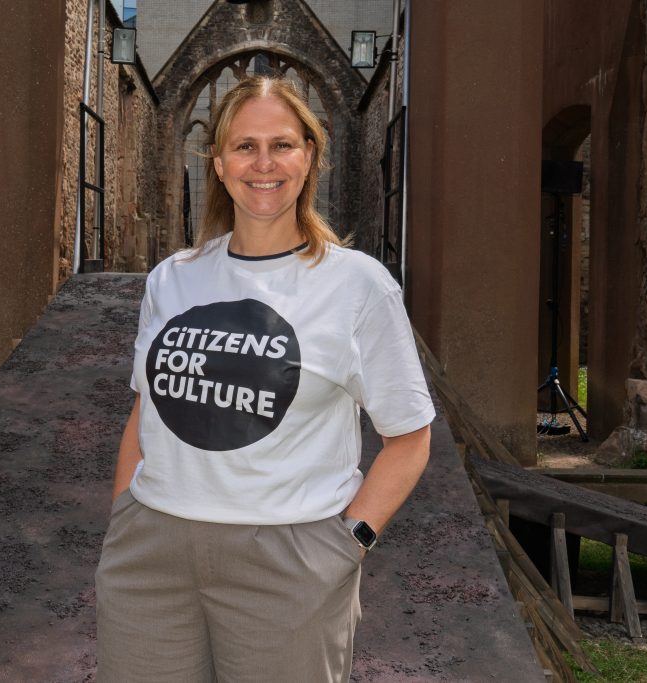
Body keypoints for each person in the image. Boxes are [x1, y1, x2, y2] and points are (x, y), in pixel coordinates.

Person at [95, 76, 435, 682]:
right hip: (152, 551)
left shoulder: (357, 285)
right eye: (244, 146)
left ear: (310, 157)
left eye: (282, 144)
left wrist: (348, 541)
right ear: (219, 163)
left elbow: (409, 437)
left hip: (289, 559)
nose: (264, 163)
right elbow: (143, 413)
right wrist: (126, 513)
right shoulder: (172, 279)